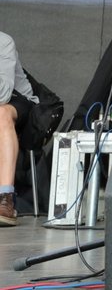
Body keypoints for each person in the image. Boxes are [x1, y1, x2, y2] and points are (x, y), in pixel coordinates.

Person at [0, 31, 37, 227]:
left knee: (2, 114)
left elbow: (4, 94)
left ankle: (5, 198)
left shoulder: (3, 42)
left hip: (15, 100)